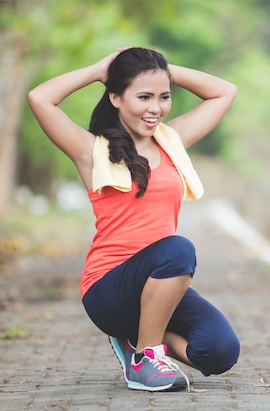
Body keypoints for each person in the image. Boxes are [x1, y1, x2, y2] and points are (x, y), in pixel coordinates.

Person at [27, 47, 240, 392]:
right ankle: (145, 358)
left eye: (163, 97)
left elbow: (224, 91)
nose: (155, 108)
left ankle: (136, 341)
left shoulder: (173, 142)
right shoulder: (91, 151)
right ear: (115, 97)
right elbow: (40, 98)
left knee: (219, 352)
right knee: (178, 249)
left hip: (161, 286)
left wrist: (162, 70)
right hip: (109, 289)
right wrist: (99, 69)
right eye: (143, 96)